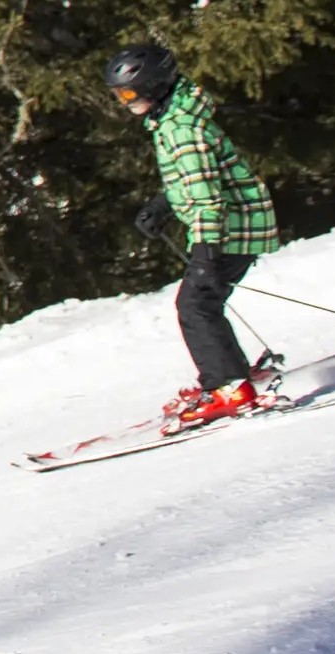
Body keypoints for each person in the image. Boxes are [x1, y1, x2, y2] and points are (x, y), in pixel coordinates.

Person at [109, 41, 284, 428]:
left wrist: (205, 252)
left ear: (153, 85)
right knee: (202, 304)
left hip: (231, 229)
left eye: (128, 92)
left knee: (195, 305)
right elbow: (195, 179)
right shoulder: (174, 119)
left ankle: (228, 387)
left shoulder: (182, 129)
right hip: (237, 225)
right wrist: (163, 204)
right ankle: (229, 376)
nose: (124, 101)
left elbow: (208, 200)